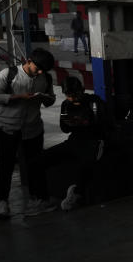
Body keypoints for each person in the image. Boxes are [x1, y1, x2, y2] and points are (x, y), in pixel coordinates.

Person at [0, 48, 57, 219]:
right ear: (28, 61)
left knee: (35, 165)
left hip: (32, 129)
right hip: (7, 128)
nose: (40, 72)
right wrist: (17, 97)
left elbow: (50, 99)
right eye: (38, 68)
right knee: (6, 165)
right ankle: (3, 202)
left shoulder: (45, 78)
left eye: (44, 70)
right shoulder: (8, 74)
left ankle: (40, 199)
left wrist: (44, 98)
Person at [43, 76, 110, 211]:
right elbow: (64, 128)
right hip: (75, 139)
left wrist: (86, 122)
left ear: (83, 90)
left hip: (94, 140)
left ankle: (76, 193)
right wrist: (72, 123)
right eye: (69, 96)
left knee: (86, 162)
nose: (73, 99)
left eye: (75, 95)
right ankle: (41, 196)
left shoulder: (94, 102)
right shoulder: (66, 105)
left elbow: (104, 124)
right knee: (44, 158)